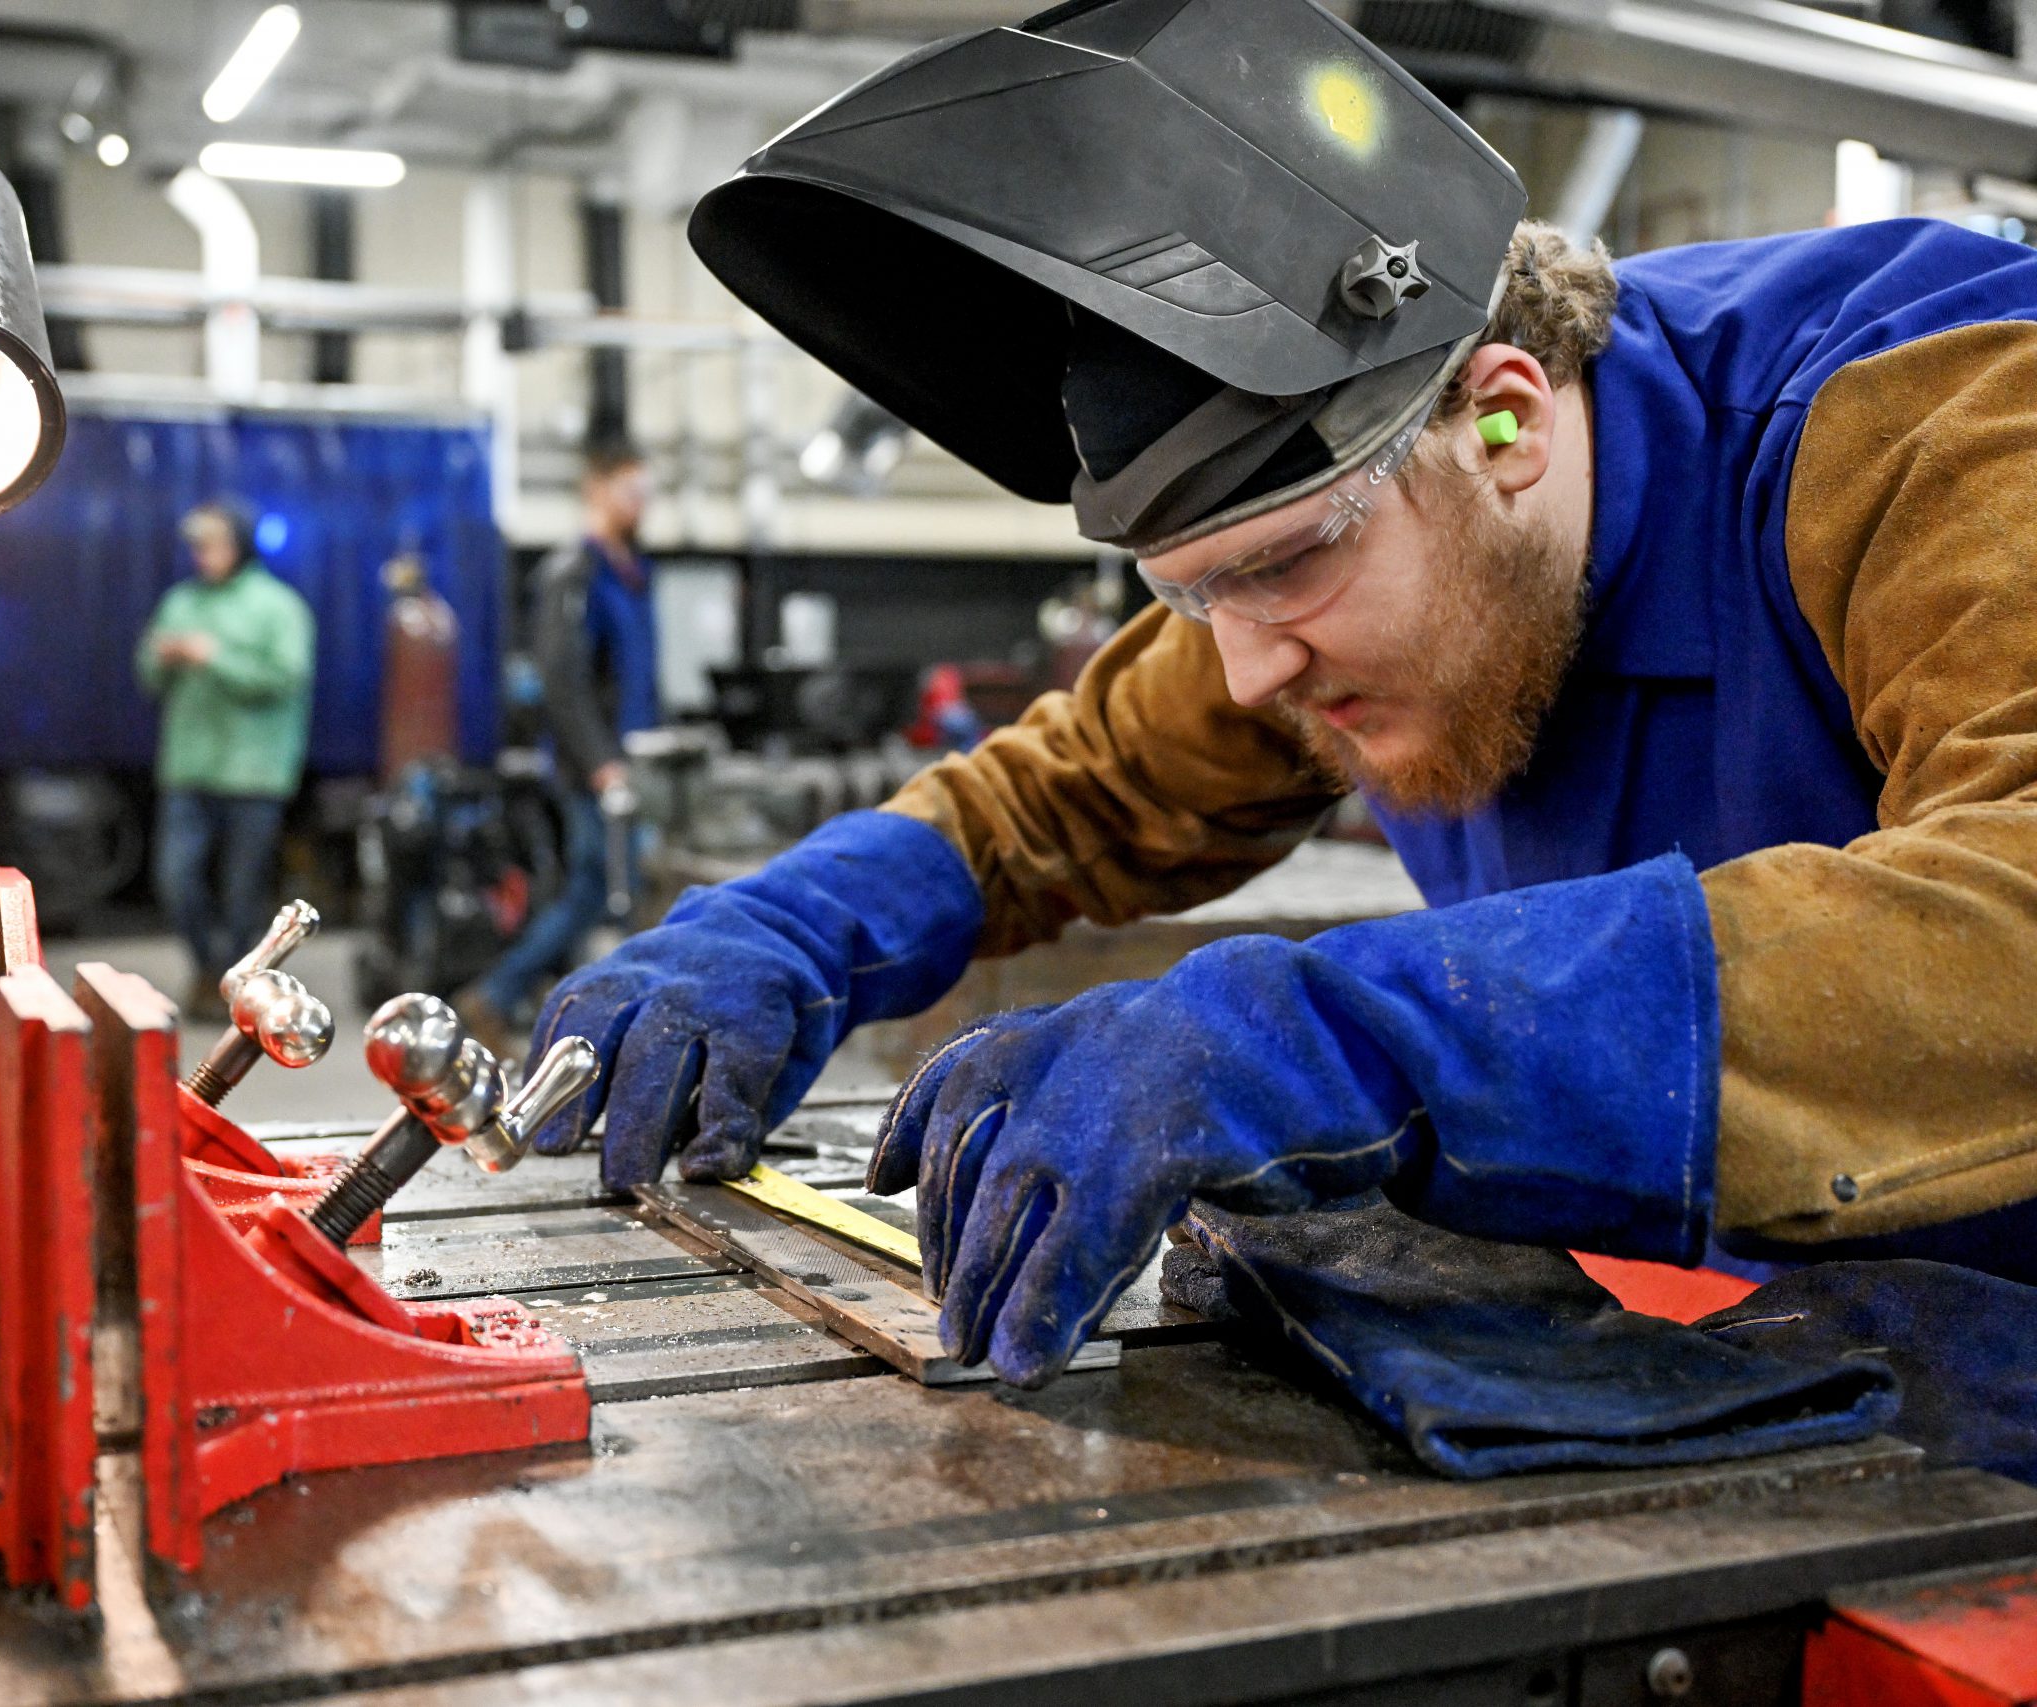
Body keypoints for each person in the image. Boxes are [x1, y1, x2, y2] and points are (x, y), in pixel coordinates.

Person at [519, 0, 2037, 1462]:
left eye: (1282, 564)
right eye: (1193, 595)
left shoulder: (1935, 416)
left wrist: (1362, 1028)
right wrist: (796, 925)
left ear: (1504, 419)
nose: (1245, 673)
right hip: (1765, 1329)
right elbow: (1068, 792)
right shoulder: (1359, 559)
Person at [455, 442, 658, 1047]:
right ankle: (500, 996)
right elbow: (562, 681)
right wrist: (600, 765)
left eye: (646, 494)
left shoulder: (630, 570)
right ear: (595, 491)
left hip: (633, 759)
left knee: (597, 892)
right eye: (629, 492)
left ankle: (552, 1007)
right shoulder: (573, 573)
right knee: (596, 889)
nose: (640, 505)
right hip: (593, 769)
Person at [136, 499, 316, 1021]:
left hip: (254, 773)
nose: (201, 556)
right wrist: (162, 656)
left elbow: (286, 677)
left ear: (238, 545)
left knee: (243, 891)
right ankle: (209, 968)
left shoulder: (278, 606)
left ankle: (235, 983)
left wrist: (213, 658)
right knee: (175, 878)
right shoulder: (180, 602)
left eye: (211, 545)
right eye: (196, 546)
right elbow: (148, 673)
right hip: (188, 768)